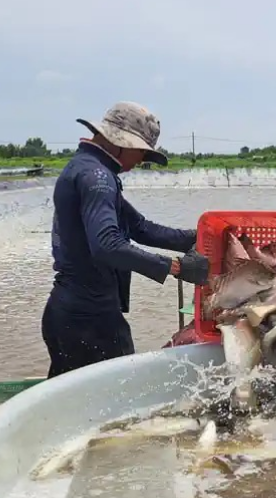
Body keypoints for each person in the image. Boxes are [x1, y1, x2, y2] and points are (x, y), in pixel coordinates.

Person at [42, 101, 210, 378]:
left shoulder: (87, 169)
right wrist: (175, 267)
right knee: (123, 397)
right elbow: (108, 245)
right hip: (91, 321)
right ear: (121, 143)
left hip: (69, 315)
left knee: (71, 407)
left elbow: (140, 227)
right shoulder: (98, 177)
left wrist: (199, 237)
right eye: (142, 153)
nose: (141, 162)